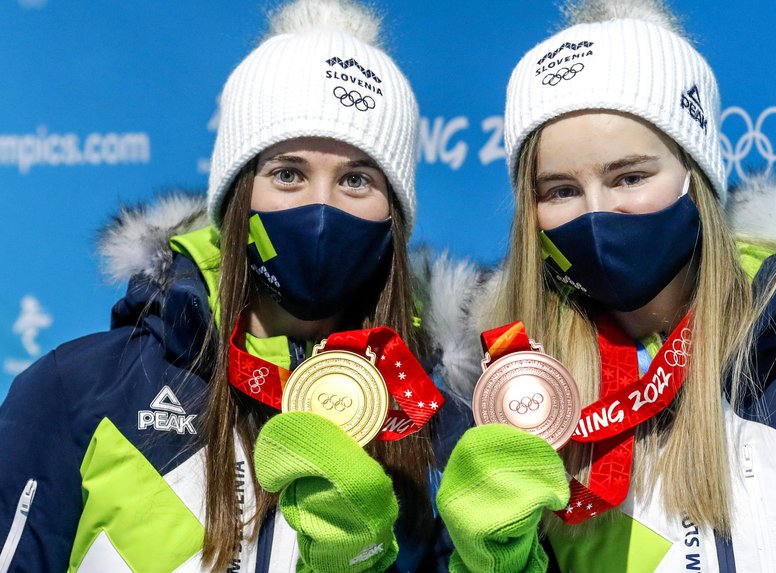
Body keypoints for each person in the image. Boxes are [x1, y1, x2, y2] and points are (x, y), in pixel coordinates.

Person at [434, 0, 776, 571]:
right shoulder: (517, 411)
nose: (599, 213)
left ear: (697, 178)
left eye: (630, 176)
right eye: (561, 191)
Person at [0, 0, 454, 571]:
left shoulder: (436, 421)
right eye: (287, 173)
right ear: (238, 196)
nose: (321, 209)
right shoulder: (77, 391)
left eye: (356, 179)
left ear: (395, 213)